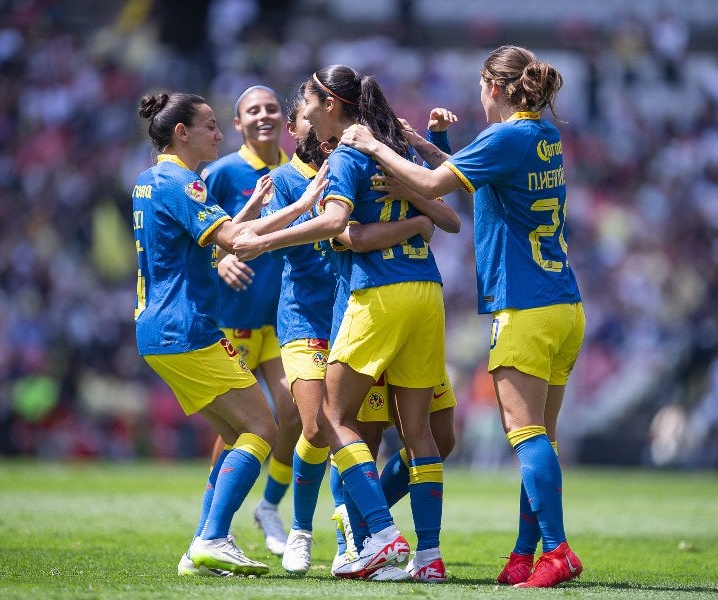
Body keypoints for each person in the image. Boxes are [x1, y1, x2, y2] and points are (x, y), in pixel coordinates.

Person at [340, 45, 586, 588]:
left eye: (480, 86)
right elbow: (467, 174)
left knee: (526, 436)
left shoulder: (507, 138)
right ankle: (525, 555)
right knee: (540, 436)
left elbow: (431, 187)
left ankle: (558, 550)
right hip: (565, 306)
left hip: (524, 307)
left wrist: (373, 145)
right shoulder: (544, 135)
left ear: (492, 87)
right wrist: (420, 143)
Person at [233, 65, 451, 581]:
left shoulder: (353, 153)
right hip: (418, 294)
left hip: (370, 302)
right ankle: (417, 552)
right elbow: (448, 216)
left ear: (328, 104)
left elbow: (339, 229)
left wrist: (258, 242)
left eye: (306, 98)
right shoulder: (381, 147)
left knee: (332, 420)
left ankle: (374, 535)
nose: (300, 112)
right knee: (374, 428)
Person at [132, 92, 327, 577]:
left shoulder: (148, 180)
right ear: (182, 133)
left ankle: (198, 549)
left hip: (156, 328)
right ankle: (216, 537)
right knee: (264, 429)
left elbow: (205, 248)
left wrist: (252, 208)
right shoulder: (184, 181)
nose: (219, 134)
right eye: (210, 126)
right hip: (188, 327)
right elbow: (237, 245)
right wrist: (303, 203)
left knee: (236, 435)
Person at [200, 85, 301, 557]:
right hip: (233, 320)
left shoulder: (297, 173)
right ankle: (211, 526)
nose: (264, 116)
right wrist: (219, 261)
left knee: (298, 414)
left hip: (283, 319)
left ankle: (269, 507)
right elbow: (194, 241)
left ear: (285, 118)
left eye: (271, 108)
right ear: (237, 124)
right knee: (235, 431)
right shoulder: (221, 173)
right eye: (252, 110)